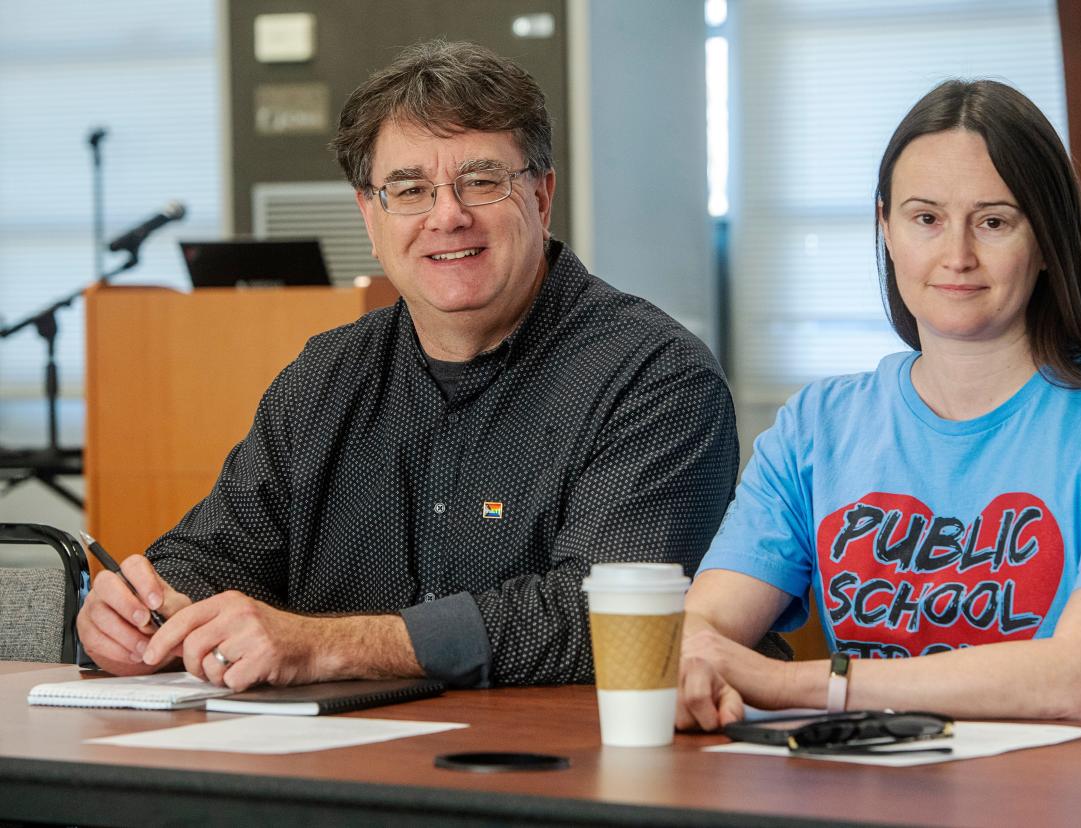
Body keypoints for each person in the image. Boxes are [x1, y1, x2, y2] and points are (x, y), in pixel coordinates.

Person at [77, 41, 738, 691]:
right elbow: (218, 553)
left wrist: (332, 646)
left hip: (550, 772)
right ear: (370, 214)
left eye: (482, 181)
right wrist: (143, 611)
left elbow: (599, 613)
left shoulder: (656, 378)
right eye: (410, 189)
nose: (447, 216)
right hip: (324, 766)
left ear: (541, 197)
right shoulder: (324, 377)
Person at [677, 79, 1081, 732]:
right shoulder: (818, 428)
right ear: (885, 226)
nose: (958, 256)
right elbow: (707, 623)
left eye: (994, 222)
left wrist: (793, 683)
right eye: (926, 219)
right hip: (903, 782)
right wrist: (692, 656)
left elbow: (1079, 681)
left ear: (1048, 240)